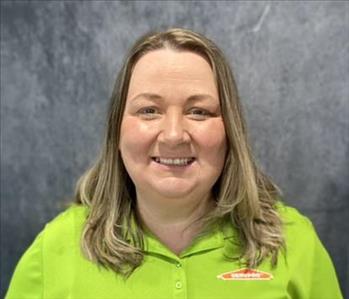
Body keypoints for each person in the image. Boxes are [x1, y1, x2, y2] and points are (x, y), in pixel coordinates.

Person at [6, 28, 343, 299]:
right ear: (117, 131)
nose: (173, 135)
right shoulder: (56, 247)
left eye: (199, 111)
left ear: (230, 131)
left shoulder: (294, 242)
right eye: (148, 110)